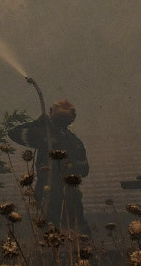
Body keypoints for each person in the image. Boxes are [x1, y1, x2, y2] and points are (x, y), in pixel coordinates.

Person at [7, 100, 90, 235]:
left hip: (70, 198)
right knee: (50, 235)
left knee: (78, 235)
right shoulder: (44, 135)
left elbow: (84, 169)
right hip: (48, 195)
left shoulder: (75, 142)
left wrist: (68, 165)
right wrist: (37, 123)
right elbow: (14, 133)